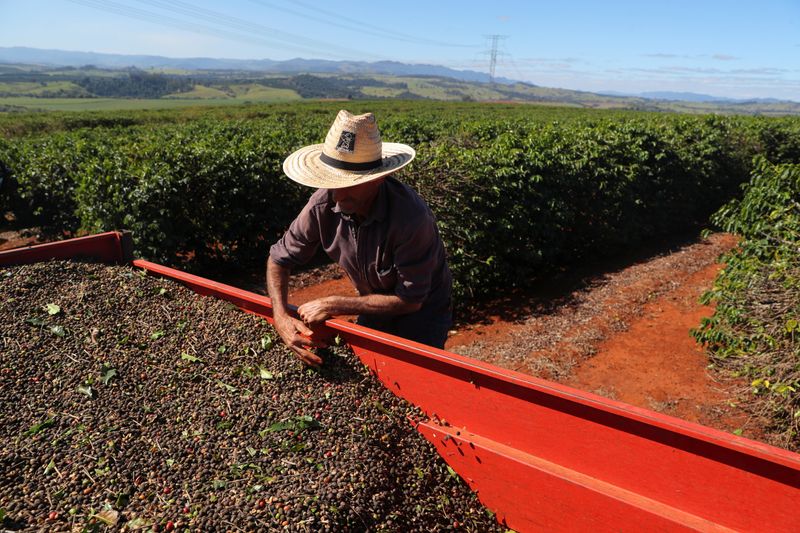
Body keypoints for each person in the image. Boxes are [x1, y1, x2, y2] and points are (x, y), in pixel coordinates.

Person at [267, 110, 453, 366]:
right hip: (372, 300)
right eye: (334, 184)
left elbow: (410, 302)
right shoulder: (323, 204)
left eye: (350, 185)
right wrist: (280, 316)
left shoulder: (410, 218)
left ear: (378, 179)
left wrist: (334, 303)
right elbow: (278, 259)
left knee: (415, 376)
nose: (339, 197)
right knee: (371, 369)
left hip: (424, 311)